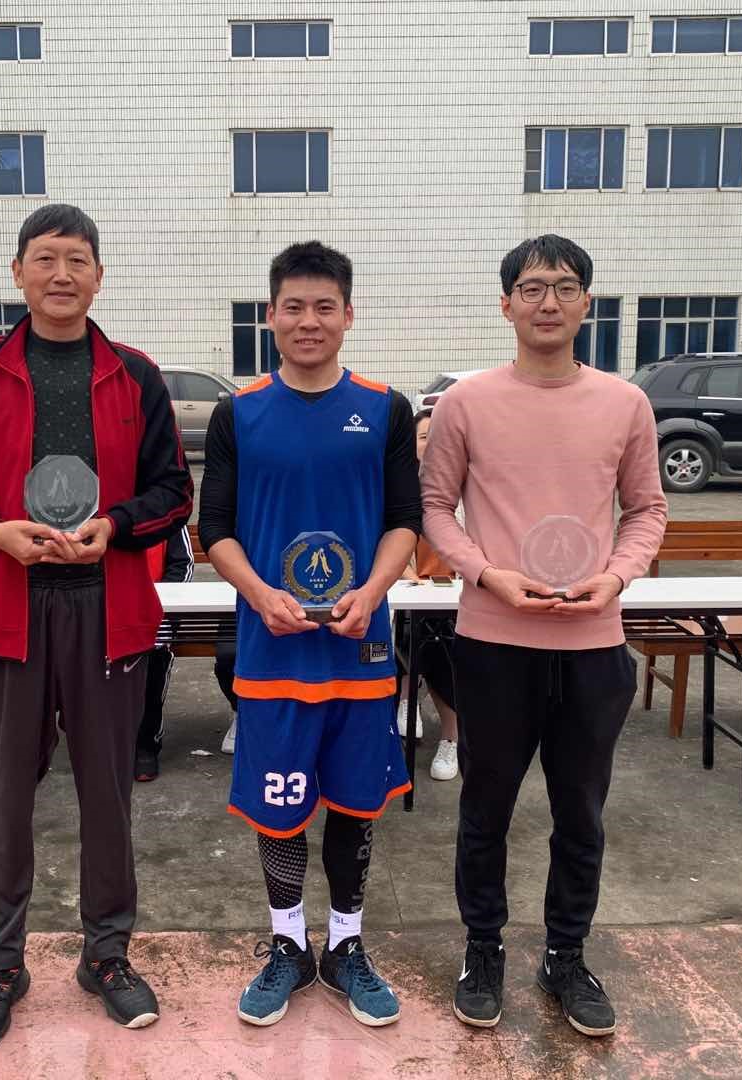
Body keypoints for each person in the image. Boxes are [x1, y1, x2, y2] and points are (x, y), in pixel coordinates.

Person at [0, 204, 192, 1046]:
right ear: (18, 273)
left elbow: (172, 493)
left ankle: (106, 955)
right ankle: (1, 964)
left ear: (99, 276)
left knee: (107, 793)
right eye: (45, 259)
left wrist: (116, 525)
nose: (62, 274)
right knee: (5, 795)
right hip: (10, 607)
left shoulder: (135, 375)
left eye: (77, 260)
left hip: (108, 608)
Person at [421, 235, 667, 1038]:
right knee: (485, 810)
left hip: (593, 644)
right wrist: (484, 573)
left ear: (587, 303)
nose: (548, 302)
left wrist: (618, 576)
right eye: (531, 288)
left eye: (564, 287)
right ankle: (482, 950)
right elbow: (434, 508)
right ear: (506, 305)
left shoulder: (625, 404)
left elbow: (647, 509)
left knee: (581, 815)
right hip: (494, 641)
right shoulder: (466, 403)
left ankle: (566, 955)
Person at [199, 241, 421, 1029]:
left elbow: (405, 520)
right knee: (280, 806)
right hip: (273, 649)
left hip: (360, 647)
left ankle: (346, 945)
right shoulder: (238, 413)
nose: (309, 320)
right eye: (293, 306)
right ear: (270, 316)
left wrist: (373, 590)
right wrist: (260, 594)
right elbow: (214, 529)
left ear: (348, 315)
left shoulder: (386, 408)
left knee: (356, 803)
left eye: (325, 306)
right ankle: (288, 945)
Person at [395, 408, 460, 781]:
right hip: (411, 591)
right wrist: (408, 577)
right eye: (424, 437)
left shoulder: (468, 484)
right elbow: (390, 545)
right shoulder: (400, 486)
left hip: (464, 594)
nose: (432, 444)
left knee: (441, 644)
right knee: (410, 629)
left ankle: (451, 738)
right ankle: (407, 697)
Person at [134, 527, 195, 781]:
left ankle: (145, 744)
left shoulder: (167, 512)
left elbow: (183, 564)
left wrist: (163, 608)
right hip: (105, 611)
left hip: (157, 613)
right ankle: (107, 744)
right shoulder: (96, 508)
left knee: (153, 661)